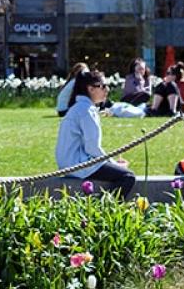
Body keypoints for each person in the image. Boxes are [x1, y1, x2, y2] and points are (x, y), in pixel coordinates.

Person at [55, 69, 135, 198]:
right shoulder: (86, 111)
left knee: (121, 173)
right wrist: (114, 164)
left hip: (69, 164)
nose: (107, 90)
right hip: (78, 165)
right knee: (127, 176)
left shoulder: (78, 107)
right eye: (102, 86)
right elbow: (92, 148)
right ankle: (105, 207)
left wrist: (111, 164)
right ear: (90, 89)